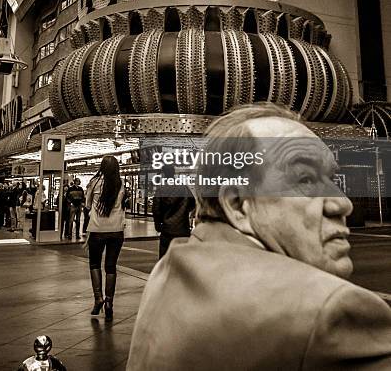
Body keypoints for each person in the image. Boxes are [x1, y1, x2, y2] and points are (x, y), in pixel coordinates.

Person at [127, 103, 391, 370]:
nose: (343, 203)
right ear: (238, 204)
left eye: (332, 179)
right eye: (306, 180)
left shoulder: (168, 270)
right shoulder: (329, 310)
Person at [85, 155, 127, 320]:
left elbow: (87, 204)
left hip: (97, 229)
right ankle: (109, 302)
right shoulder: (121, 183)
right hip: (117, 230)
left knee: (94, 263)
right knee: (111, 266)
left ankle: (98, 299)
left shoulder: (94, 182)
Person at [152, 164, 195, 258]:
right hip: (183, 229)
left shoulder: (161, 189)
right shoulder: (184, 187)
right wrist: (184, 212)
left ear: (163, 174)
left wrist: (158, 225)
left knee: (165, 258)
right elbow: (192, 204)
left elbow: (156, 209)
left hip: (167, 229)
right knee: (182, 258)